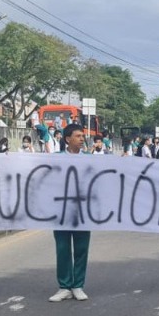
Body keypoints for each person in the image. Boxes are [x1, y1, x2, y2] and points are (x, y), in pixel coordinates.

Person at [50, 124, 93, 302]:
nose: (82, 139)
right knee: (63, 248)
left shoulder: (90, 159)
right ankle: (64, 286)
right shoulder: (56, 158)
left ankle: (78, 286)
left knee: (81, 248)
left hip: (83, 211)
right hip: (60, 210)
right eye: (78, 136)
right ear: (67, 139)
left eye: (83, 136)